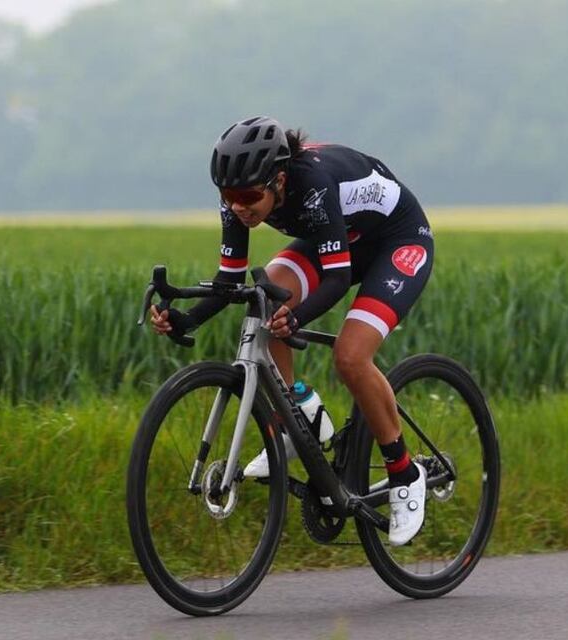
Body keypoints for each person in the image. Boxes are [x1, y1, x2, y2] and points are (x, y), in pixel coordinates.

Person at [149, 116, 434, 546]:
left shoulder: (314, 187)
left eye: (249, 196)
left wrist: (296, 319)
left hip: (397, 239)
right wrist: (185, 318)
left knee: (351, 356)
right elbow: (230, 282)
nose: (239, 207)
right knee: (268, 297)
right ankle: (298, 416)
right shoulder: (240, 197)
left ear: (279, 180)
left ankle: (405, 472)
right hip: (341, 236)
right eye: (229, 197)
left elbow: (337, 281)